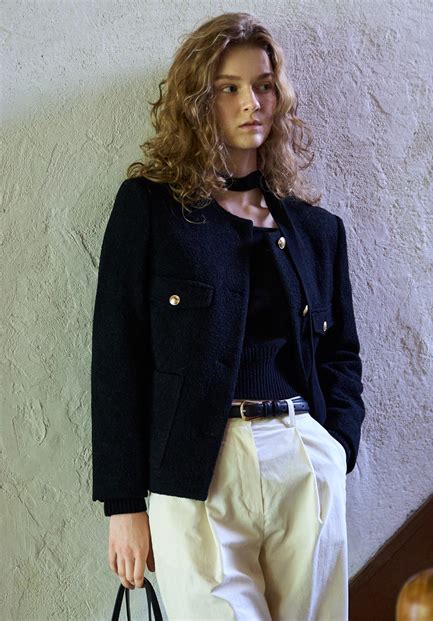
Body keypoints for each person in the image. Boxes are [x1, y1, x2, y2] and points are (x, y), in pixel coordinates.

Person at [91, 11, 366, 621]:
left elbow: (340, 354)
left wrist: (335, 448)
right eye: (229, 88)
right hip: (197, 469)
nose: (251, 103)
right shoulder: (150, 210)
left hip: (302, 455)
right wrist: (122, 503)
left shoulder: (317, 231)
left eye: (264, 85)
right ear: (198, 101)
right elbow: (116, 356)